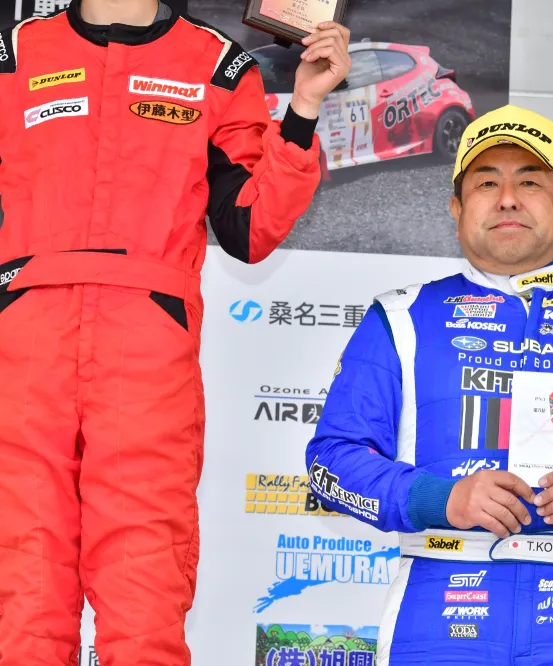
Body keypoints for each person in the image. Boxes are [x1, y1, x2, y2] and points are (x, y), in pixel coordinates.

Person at [0, 1, 351, 664]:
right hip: (25, 350)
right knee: (24, 592)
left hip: (146, 352)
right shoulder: (14, 53)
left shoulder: (216, 66)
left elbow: (249, 229)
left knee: (143, 598)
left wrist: (303, 108)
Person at [304, 104, 553, 665]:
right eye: (487, 182)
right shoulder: (398, 319)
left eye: (530, 182)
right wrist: (442, 498)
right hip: (435, 616)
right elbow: (331, 464)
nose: (508, 199)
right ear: (457, 210)